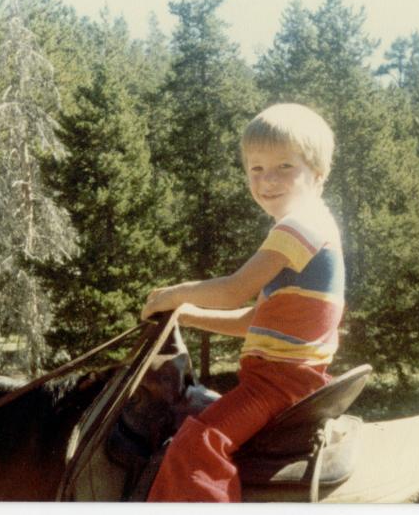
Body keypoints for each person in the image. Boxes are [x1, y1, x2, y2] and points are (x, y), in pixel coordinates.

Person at [140, 103, 345, 502]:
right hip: (287, 375)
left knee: (198, 444)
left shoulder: (298, 227)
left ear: (318, 174)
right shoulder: (312, 225)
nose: (268, 180)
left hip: (279, 381)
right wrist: (184, 315)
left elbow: (235, 290)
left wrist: (172, 293)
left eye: (285, 166)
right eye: (257, 168)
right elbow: (255, 319)